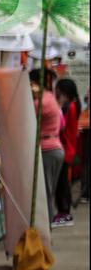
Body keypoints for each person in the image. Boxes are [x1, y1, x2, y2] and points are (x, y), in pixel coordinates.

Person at [31, 70, 68, 226]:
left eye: (31, 83)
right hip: (55, 147)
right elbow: (63, 125)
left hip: (47, 149)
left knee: (45, 191)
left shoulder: (41, 102)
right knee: (49, 190)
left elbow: (26, 115)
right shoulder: (50, 98)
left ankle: (44, 229)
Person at [55, 78, 83, 211]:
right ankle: (65, 208)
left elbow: (63, 125)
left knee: (63, 182)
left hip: (66, 145)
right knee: (64, 180)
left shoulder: (70, 107)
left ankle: (64, 210)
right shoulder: (75, 104)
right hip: (70, 145)